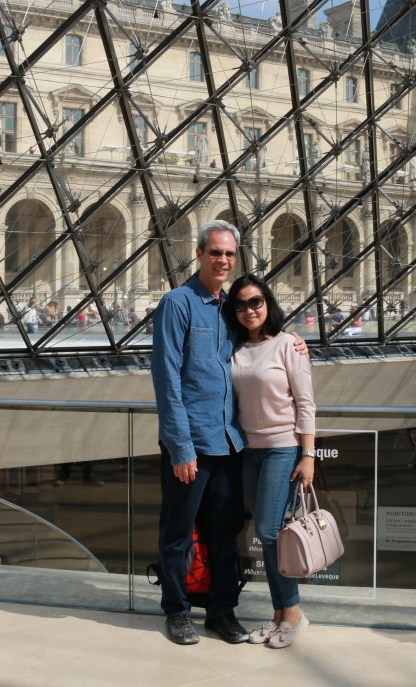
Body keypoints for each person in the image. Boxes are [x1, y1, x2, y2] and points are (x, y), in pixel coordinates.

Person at [150, 219, 251, 646]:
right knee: (178, 531)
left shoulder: (230, 307)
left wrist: (293, 342)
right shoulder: (177, 303)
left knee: (225, 533)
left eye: (229, 254)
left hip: (229, 441)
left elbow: (260, 338)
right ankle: (176, 610)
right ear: (199, 254)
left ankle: (221, 611)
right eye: (216, 253)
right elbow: (167, 379)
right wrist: (180, 447)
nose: (223, 260)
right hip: (190, 444)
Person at [226, 272, 315, 649]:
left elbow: (306, 403)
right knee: (269, 533)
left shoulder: (288, 345)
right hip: (248, 451)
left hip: (282, 448)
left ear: (268, 304)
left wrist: (308, 454)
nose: (249, 310)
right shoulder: (232, 348)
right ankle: (280, 614)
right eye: (241, 304)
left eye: (256, 302)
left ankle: (292, 612)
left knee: (268, 530)